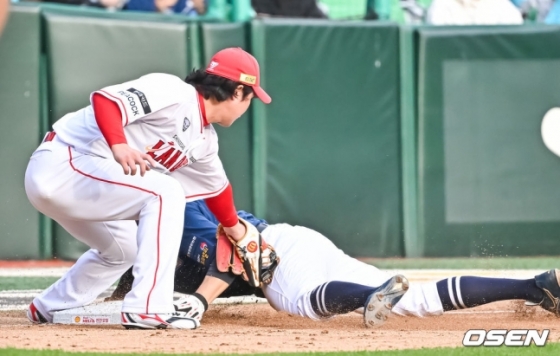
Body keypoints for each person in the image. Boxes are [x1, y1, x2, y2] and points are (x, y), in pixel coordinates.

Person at [24, 47, 272, 330]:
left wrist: (237, 231)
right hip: (64, 161)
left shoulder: (205, 141)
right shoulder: (176, 91)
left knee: (124, 249)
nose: (248, 106)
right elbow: (106, 101)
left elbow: (217, 190)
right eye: (251, 98)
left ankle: (49, 306)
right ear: (239, 91)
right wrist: (119, 144)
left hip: (84, 182)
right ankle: (148, 307)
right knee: (165, 192)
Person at [109, 200, 560, 326]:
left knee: (301, 302)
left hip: (276, 256)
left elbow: (236, 249)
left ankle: (369, 299)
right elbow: (131, 283)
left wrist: (201, 304)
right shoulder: (145, 247)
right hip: (302, 241)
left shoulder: (177, 213)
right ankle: (534, 287)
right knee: (416, 299)